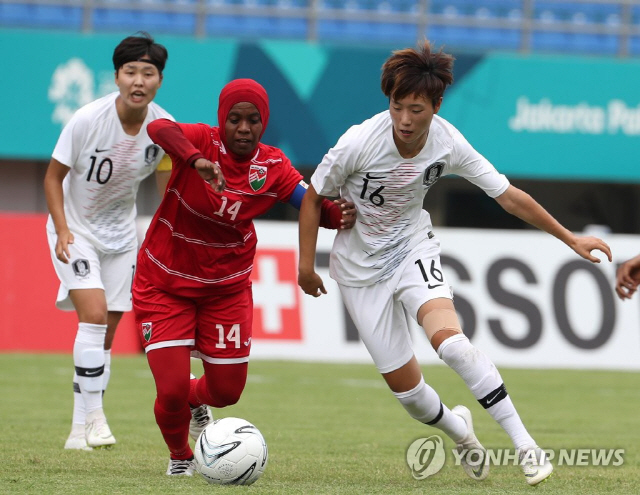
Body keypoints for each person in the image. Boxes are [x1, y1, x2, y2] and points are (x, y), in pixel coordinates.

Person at [297, 41, 613, 486]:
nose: (405, 120)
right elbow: (314, 197)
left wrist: (569, 237)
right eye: (397, 106)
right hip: (358, 272)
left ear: (437, 105)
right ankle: (460, 431)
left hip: (411, 251)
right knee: (410, 397)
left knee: (453, 345)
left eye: (416, 109)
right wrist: (306, 266)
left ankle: (526, 446)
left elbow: (508, 197)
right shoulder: (358, 142)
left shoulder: (448, 143)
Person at [133, 78, 356, 476]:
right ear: (222, 120)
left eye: (253, 120)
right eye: (234, 119)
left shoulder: (272, 166)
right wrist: (192, 159)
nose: (244, 128)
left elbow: (312, 206)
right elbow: (157, 128)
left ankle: (194, 398)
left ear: (264, 123)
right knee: (169, 390)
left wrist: (342, 215)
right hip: (164, 282)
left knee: (226, 393)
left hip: (226, 288)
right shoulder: (202, 139)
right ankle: (181, 458)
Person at [44, 32, 174, 451]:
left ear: (159, 80)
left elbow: (167, 189)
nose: (139, 81)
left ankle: (78, 431)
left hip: (121, 240)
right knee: (94, 315)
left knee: (105, 336)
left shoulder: (164, 130)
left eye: (148, 73)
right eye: (130, 71)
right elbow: (52, 178)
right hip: (75, 231)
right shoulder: (86, 120)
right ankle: (98, 417)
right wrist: (63, 229)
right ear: (116, 76)